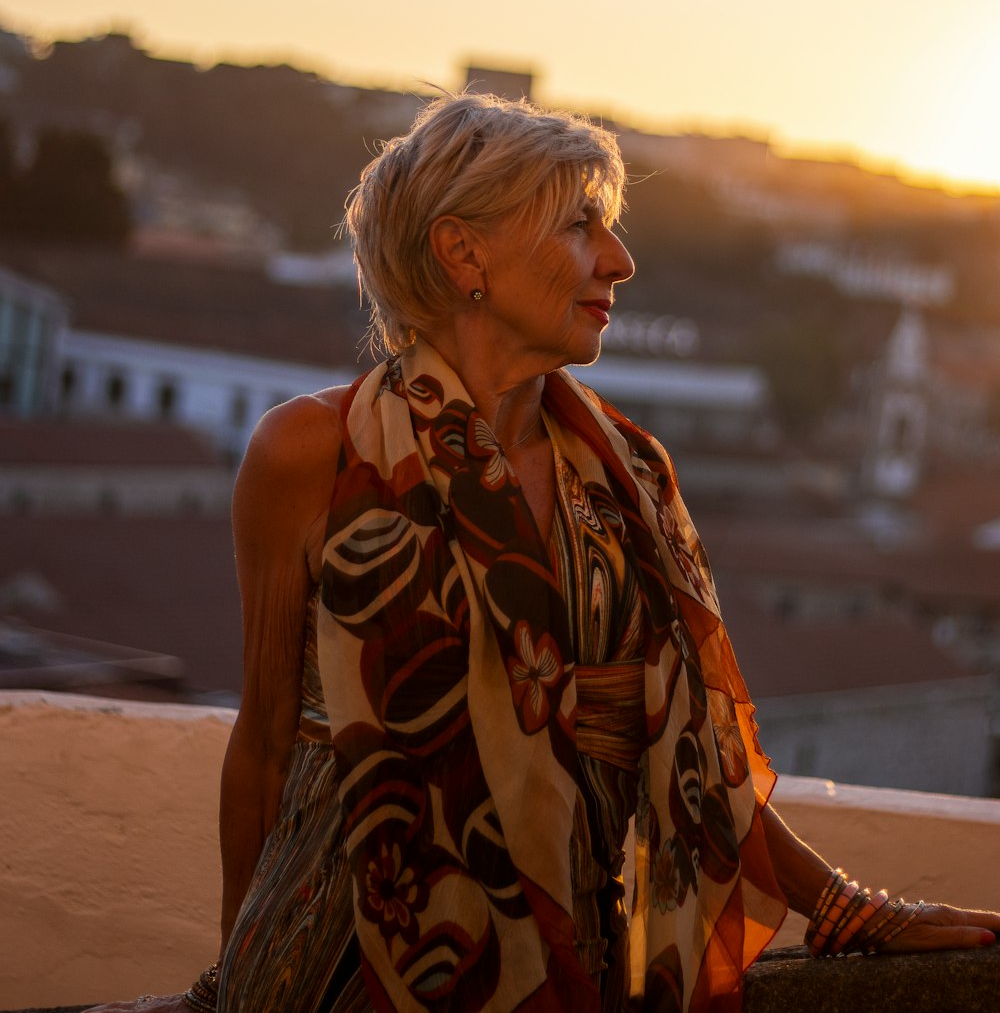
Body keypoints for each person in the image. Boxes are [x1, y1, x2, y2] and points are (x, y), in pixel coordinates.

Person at [92, 93, 1000, 1013]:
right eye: (580, 226)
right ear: (463, 252)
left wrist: (848, 909)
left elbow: (700, 764)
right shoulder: (309, 453)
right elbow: (264, 745)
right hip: (333, 968)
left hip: (570, 971)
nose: (620, 260)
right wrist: (237, 980)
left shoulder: (630, 474)